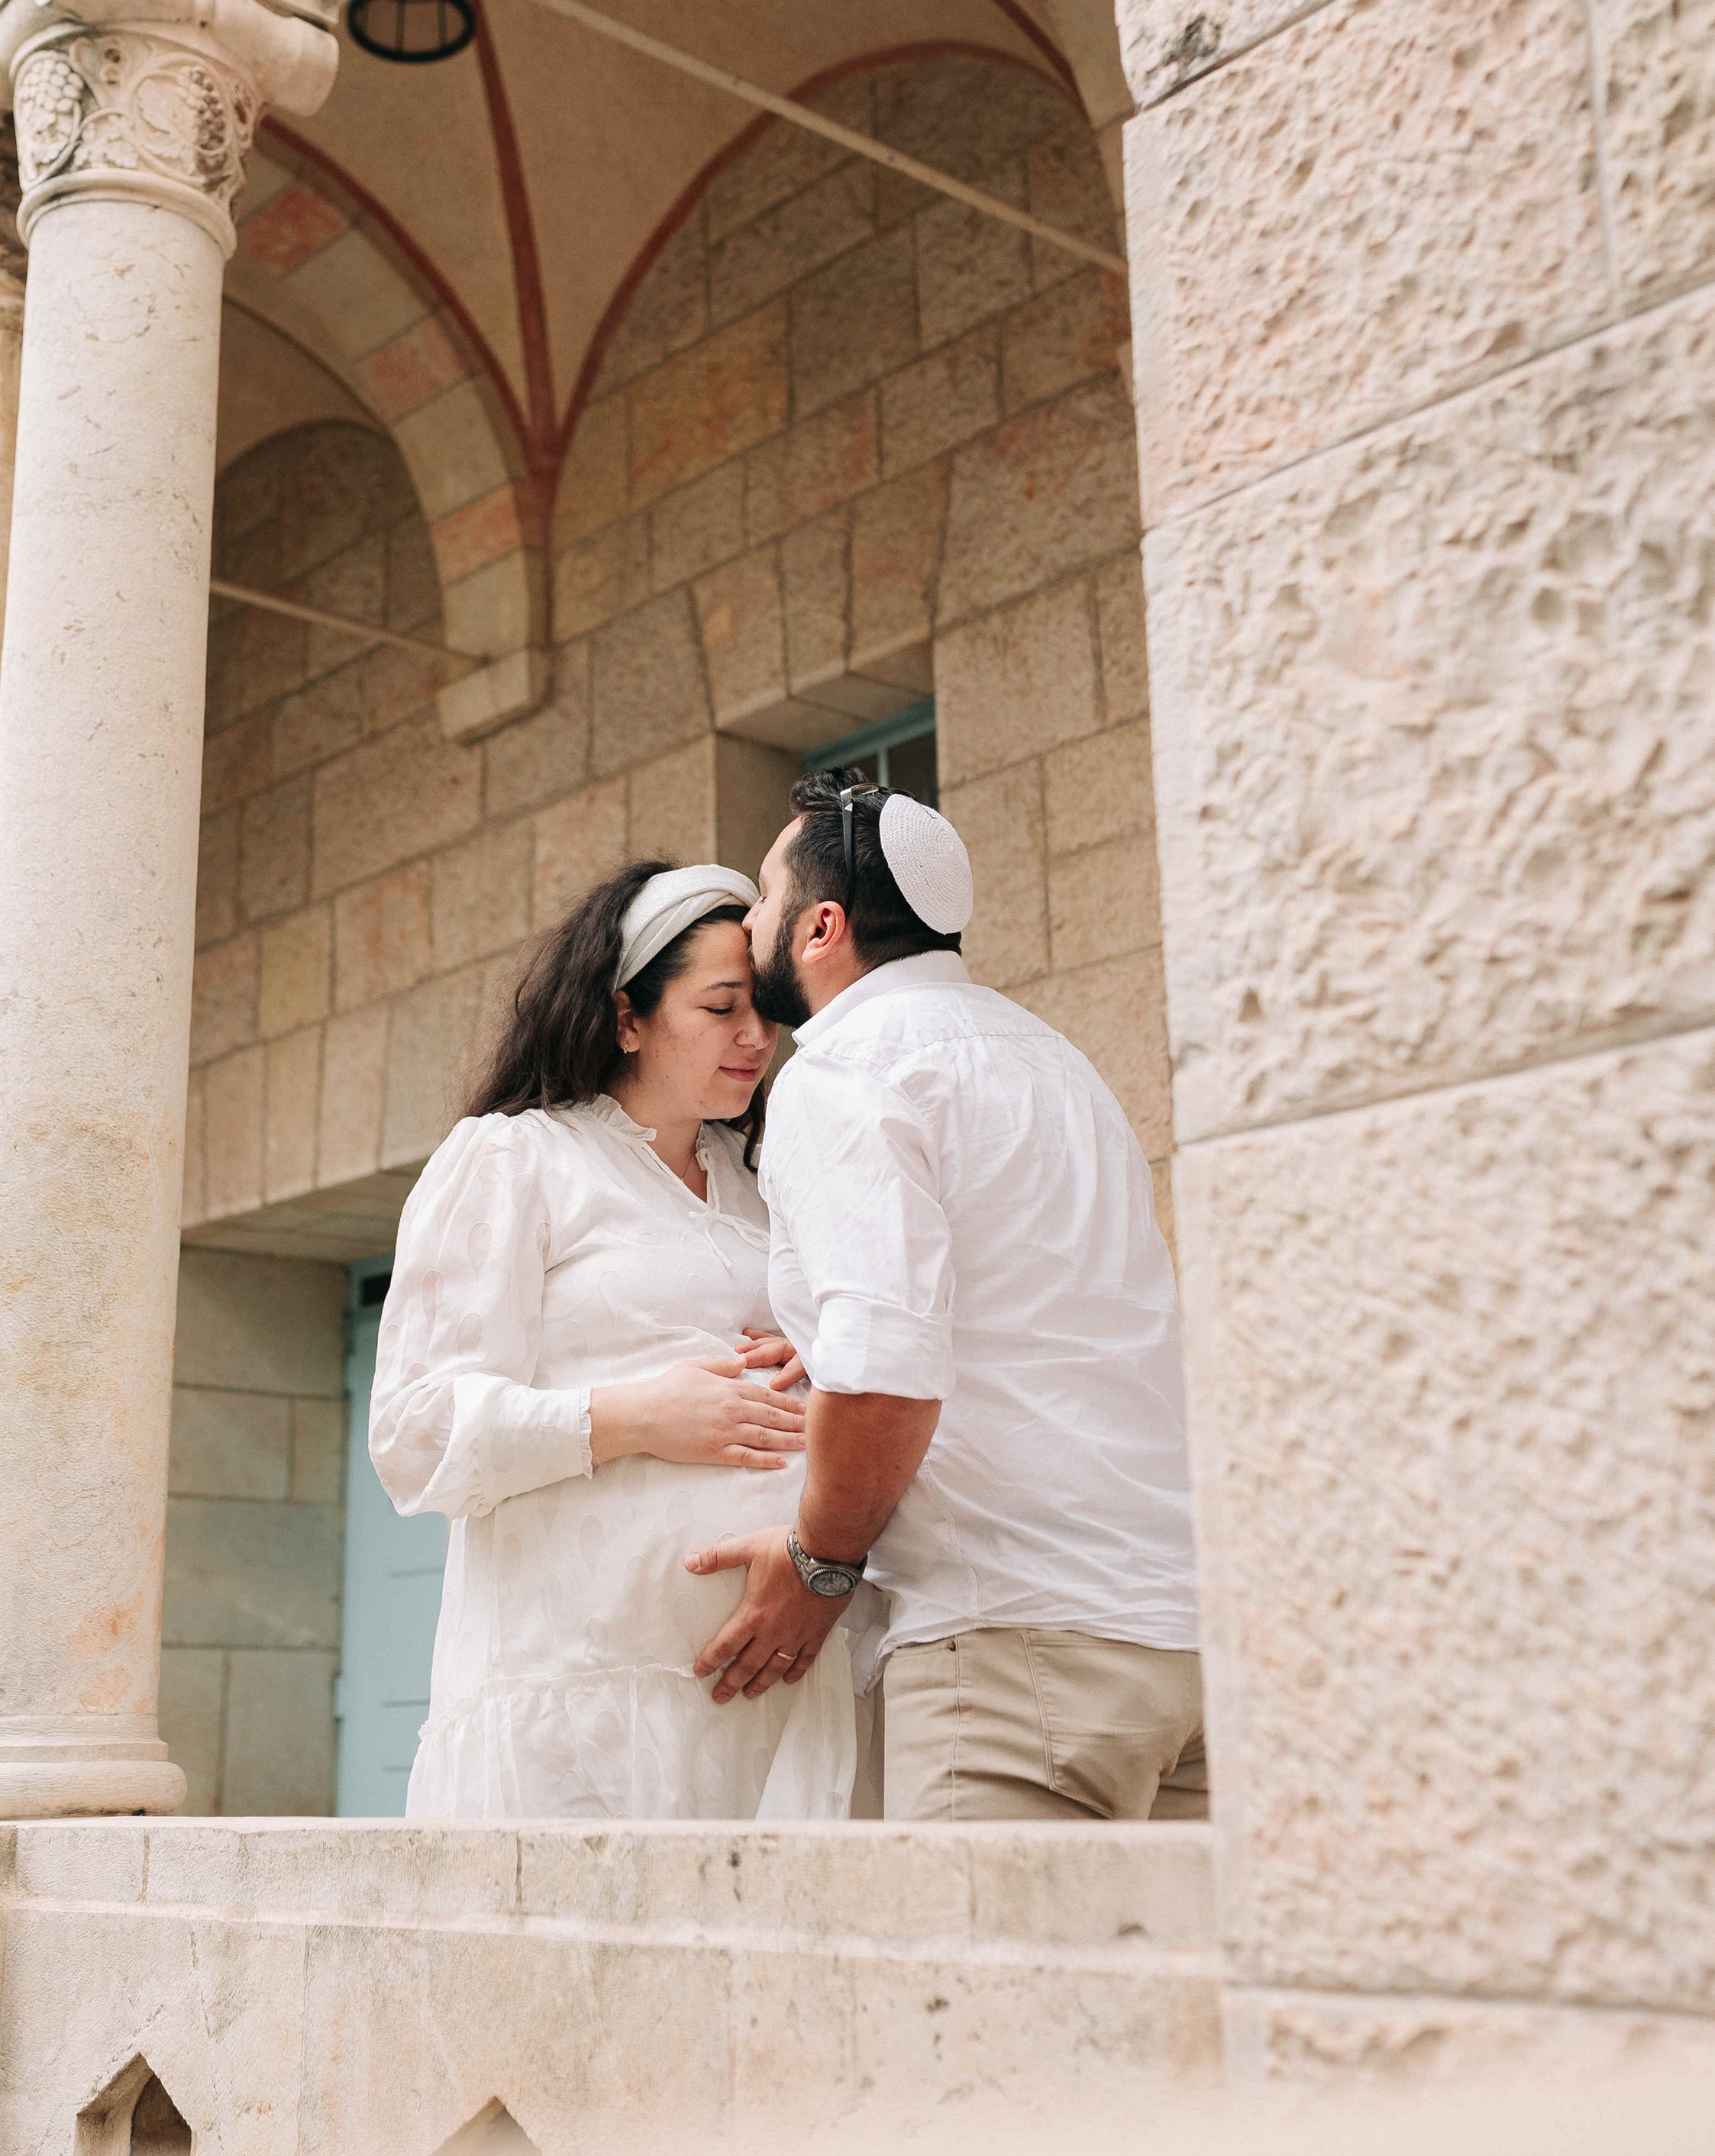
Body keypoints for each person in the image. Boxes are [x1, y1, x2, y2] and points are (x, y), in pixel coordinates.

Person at [684, 774, 1203, 1823]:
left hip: (1020, 1656)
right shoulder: (1056, 1062)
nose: (751, 921)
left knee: (979, 1945)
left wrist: (818, 1569)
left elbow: (887, 1369)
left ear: (821, 927)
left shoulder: (843, 1072)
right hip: (1190, 1643)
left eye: (767, 896)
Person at [368, 857, 858, 1822]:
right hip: (584, 1704)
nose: (756, 1037)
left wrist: (820, 1348)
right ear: (626, 1016)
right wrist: (629, 1418)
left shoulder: (766, 1184)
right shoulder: (515, 1159)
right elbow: (413, 1435)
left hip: (777, 1689)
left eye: (764, 1008)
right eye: (720, 1007)